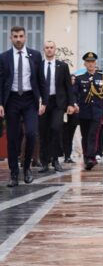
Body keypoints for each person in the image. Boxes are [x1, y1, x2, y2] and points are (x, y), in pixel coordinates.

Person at [1, 26, 47, 186]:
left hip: (29, 100)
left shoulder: (35, 55)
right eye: (15, 36)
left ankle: (26, 168)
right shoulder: (4, 57)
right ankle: (14, 174)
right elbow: (0, 82)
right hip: (12, 100)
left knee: (32, 134)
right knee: (13, 138)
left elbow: (41, 80)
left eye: (21, 36)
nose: (18, 39)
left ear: (25, 37)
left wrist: (44, 101)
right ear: (10, 38)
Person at [38, 40, 75, 173]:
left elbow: (68, 87)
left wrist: (71, 104)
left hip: (58, 103)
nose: (49, 50)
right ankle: (44, 162)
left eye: (51, 47)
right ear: (44, 50)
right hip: (43, 103)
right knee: (43, 132)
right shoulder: (39, 65)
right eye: (47, 48)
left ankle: (55, 160)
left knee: (55, 128)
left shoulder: (63, 66)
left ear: (55, 50)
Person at [74, 52, 103, 171]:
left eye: (92, 62)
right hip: (84, 111)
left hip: (97, 112)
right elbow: (75, 94)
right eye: (88, 62)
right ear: (85, 63)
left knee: (93, 135)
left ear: (95, 63)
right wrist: (74, 104)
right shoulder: (79, 78)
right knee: (85, 135)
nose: (91, 64)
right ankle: (86, 157)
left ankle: (91, 158)